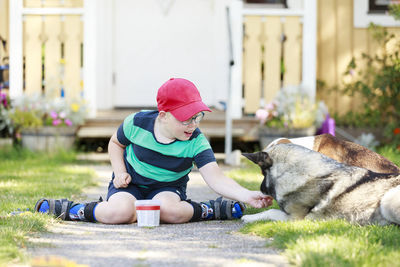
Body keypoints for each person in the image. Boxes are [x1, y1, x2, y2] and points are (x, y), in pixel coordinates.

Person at [35, 78, 273, 224]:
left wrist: (244, 195)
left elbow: (215, 177)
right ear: (163, 116)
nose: (193, 125)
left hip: (167, 188)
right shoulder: (136, 123)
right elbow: (115, 144)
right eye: (186, 119)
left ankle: (213, 209)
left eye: (198, 117)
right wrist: (119, 172)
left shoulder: (196, 141)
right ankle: (70, 210)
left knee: (169, 211)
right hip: (131, 183)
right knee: (119, 213)